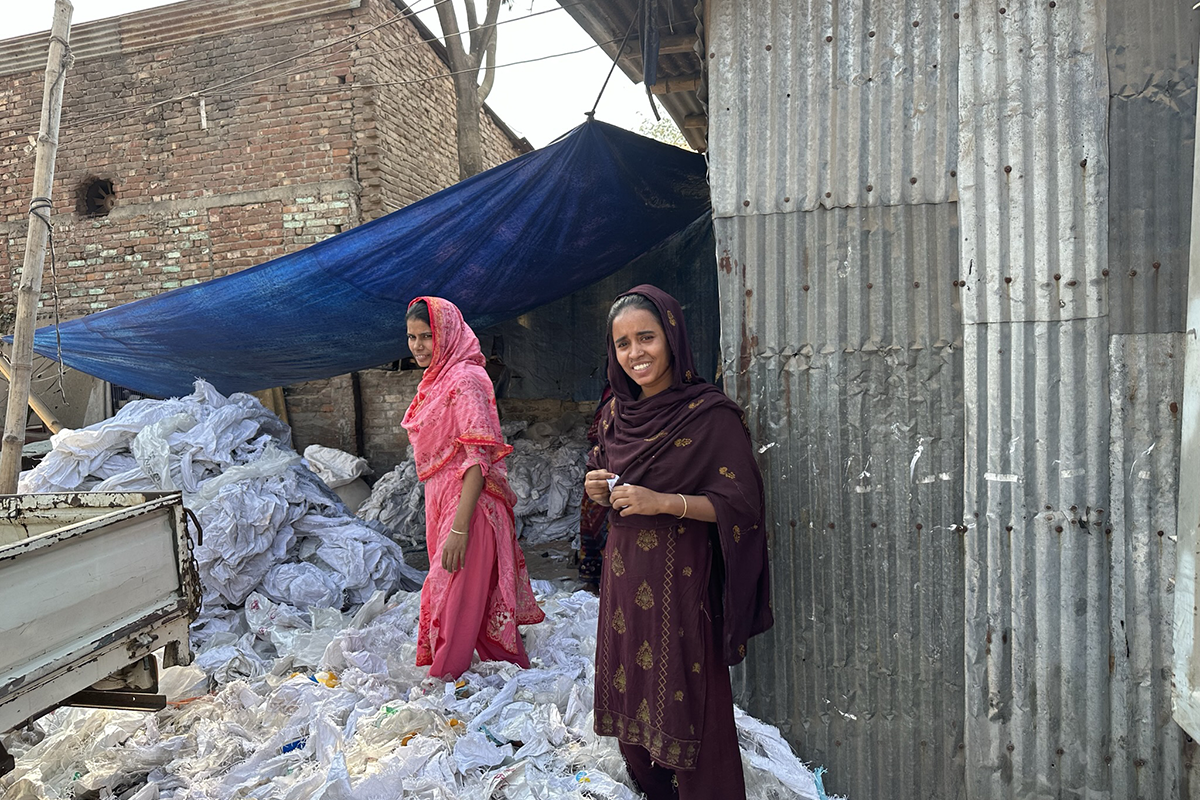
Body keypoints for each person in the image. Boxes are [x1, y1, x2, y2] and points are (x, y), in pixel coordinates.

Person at [583, 285, 773, 800]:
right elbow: (610, 477)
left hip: (682, 582)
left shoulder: (709, 416)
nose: (635, 353)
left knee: (690, 697)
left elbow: (743, 505)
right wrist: (596, 486)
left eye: (647, 337)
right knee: (633, 689)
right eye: (623, 344)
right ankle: (655, 789)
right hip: (624, 582)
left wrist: (664, 502)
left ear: (672, 338)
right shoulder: (614, 417)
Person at [402, 297, 545, 681]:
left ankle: (446, 677)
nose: (418, 346)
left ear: (446, 334)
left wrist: (460, 529)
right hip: (442, 500)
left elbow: (477, 459)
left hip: (470, 503)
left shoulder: (465, 379)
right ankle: (472, 671)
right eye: (412, 337)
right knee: (459, 592)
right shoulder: (435, 381)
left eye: (427, 336)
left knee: (454, 597)